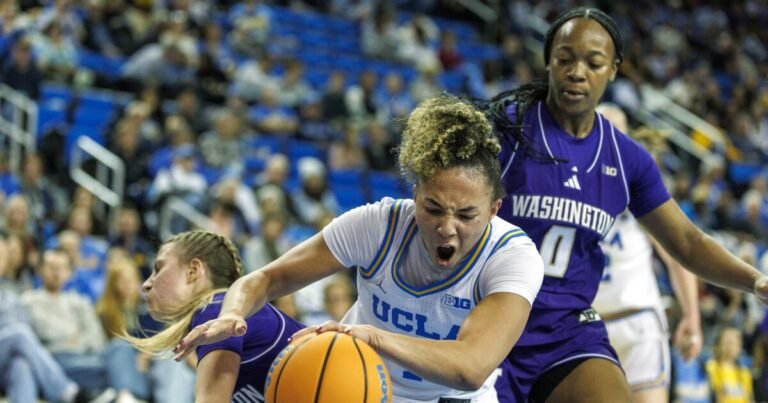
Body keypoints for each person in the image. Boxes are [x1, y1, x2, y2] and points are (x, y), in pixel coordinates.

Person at [478, 6, 768, 403]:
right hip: (488, 319)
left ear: (613, 69)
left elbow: (686, 241)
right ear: (548, 61)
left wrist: (754, 280)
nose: (577, 71)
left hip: (566, 330)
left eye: (593, 62)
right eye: (564, 59)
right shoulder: (505, 131)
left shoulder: (626, 158)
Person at [174, 95, 545, 402]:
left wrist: (374, 335)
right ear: (415, 195)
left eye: (466, 215)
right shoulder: (377, 225)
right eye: (432, 209)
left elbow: (470, 368)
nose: (447, 228)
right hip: (359, 381)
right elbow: (267, 279)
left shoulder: (512, 255)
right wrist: (233, 311)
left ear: (494, 209)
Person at [593, 103, 703, 403]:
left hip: (639, 320)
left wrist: (692, 317)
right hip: (587, 328)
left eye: (615, 130)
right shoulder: (566, 181)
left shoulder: (641, 184)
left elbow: (678, 255)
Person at [124, 230, 304, 403]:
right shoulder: (221, 309)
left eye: (158, 268)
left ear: (193, 270)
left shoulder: (214, 310)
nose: (146, 284)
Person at [706, 327, 753, 403]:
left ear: (739, 347)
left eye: (733, 342)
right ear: (719, 344)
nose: (729, 346)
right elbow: (712, 395)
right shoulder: (712, 367)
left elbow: (749, 399)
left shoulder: (744, 372)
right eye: (726, 342)